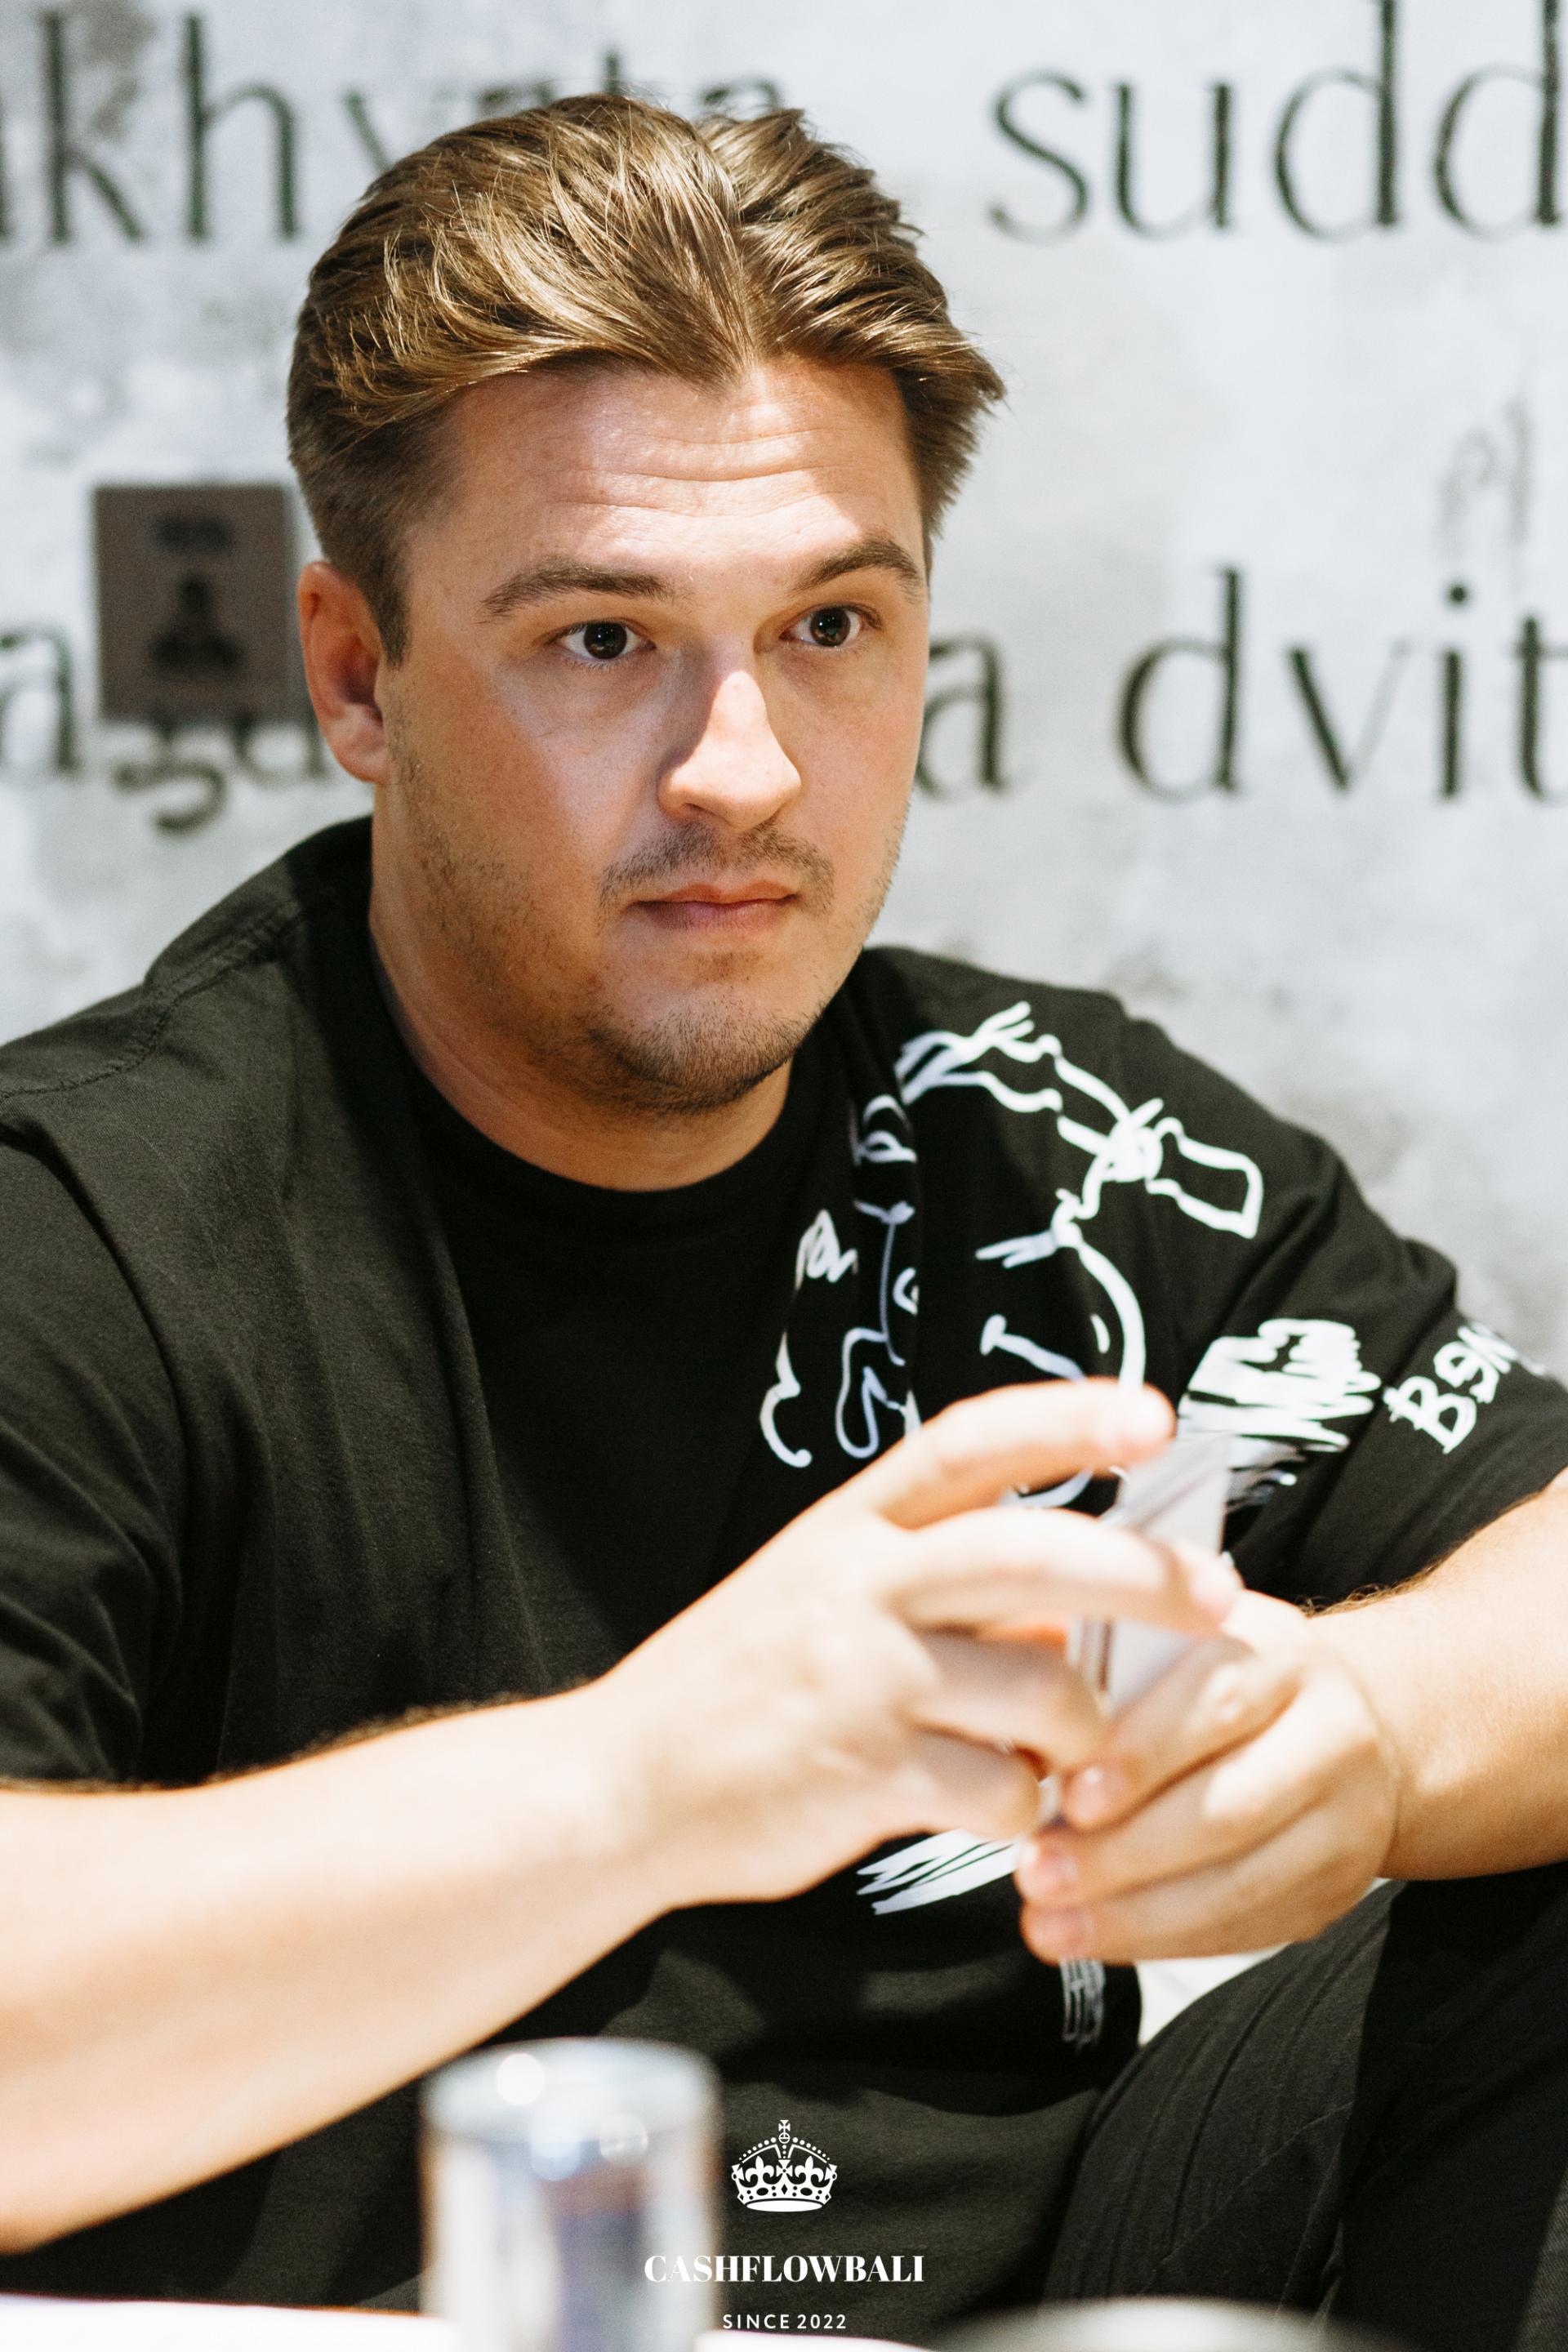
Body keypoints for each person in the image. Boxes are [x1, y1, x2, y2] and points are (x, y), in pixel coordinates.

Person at [1, 96, 1567, 2352]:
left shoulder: (1050, 1140)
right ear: (355, 674)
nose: (741, 767)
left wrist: (1378, 1730)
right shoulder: (84, 1226)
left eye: (832, 623)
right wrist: (648, 1781)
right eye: (601, 639)